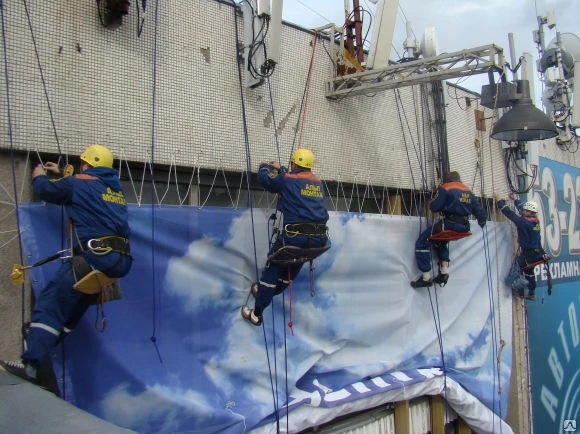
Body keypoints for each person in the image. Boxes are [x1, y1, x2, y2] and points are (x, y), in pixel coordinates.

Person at [0, 144, 132, 383]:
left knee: (49, 306)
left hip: (93, 258)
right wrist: (64, 174)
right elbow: (91, 192)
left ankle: (29, 365)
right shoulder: (116, 190)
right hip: (118, 262)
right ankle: (43, 346)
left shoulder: (77, 185)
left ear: (87, 164)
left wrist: (38, 175)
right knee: (69, 310)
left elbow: (46, 191)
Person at [241, 149, 329, 326]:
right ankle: (264, 291)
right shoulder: (318, 182)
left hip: (295, 238)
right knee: (292, 266)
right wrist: (281, 169)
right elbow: (295, 182)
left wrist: (264, 166)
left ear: (294, 164)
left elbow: (266, 180)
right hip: (317, 241)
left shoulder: (288, 179)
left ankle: (257, 314)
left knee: (272, 270)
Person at [411, 171, 487, 288]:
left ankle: (426, 277)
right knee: (441, 242)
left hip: (450, 223)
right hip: (464, 226)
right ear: (459, 179)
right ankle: (444, 272)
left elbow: (434, 207)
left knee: (422, 242)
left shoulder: (446, 188)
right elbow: (480, 212)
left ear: (447, 179)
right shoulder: (468, 191)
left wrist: (438, 198)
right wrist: (482, 223)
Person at [493, 192, 543, 301]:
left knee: (516, 270)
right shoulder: (535, 221)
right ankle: (532, 292)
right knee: (529, 272)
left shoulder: (523, 223)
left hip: (528, 254)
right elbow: (522, 210)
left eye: (525, 211)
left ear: (530, 212)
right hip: (537, 253)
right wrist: (516, 200)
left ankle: (519, 291)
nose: (523, 211)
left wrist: (499, 201)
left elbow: (510, 214)